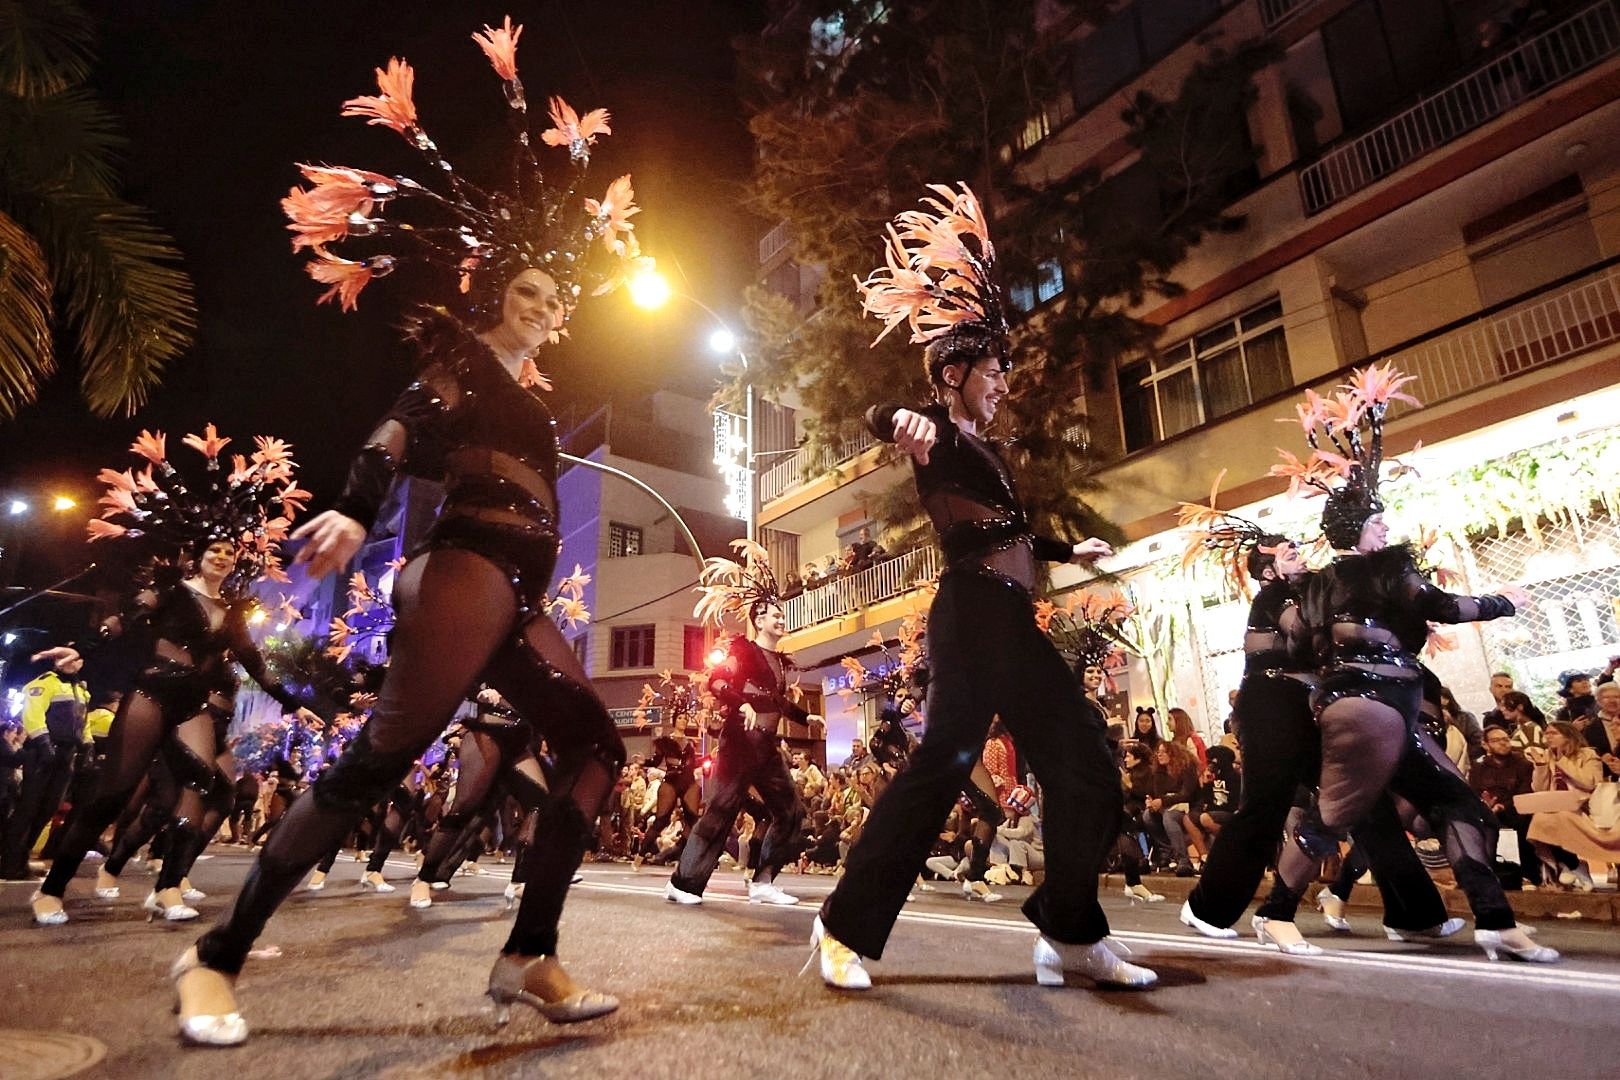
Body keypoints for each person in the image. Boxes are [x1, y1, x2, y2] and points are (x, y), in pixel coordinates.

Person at [173, 27, 651, 1045]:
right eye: (527, 291)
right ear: (496, 295)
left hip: (514, 588)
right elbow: (401, 423)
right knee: (382, 760)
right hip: (461, 570)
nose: (543, 307)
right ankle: (213, 958)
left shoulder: (535, 392)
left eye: (555, 299)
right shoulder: (466, 360)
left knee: (596, 746)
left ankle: (528, 954)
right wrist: (353, 500)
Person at [811, 183, 1154, 992]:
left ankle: (1069, 932)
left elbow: (1017, 538)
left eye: (1004, 370)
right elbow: (881, 411)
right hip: (968, 616)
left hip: (1010, 617)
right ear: (955, 372)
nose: (1003, 383)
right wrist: (899, 418)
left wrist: (1073, 545)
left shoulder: (993, 461)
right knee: (944, 764)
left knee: (1087, 763)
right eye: (994, 371)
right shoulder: (939, 442)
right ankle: (841, 927)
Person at [1256, 363, 1553, 963]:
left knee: (1457, 803)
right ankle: (1275, 912)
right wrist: (1504, 602)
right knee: (1335, 814)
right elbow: (1440, 604)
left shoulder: (1315, 587)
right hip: (1372, 708)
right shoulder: (1391, 566)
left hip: (1370, 705)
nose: (1385, 524)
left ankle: (1494, 919)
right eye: (1377, 519)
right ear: (1362, 531)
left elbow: (1298, 651)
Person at [31, 429, 319, 929]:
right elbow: (121, 622)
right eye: (215, 551)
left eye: (230, 553)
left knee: (202, 785)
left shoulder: (232, 612)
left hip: (192, 704)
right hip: (151, 691)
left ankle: (166, 889)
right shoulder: (169, 591)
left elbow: (256, 664)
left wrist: (295, 704)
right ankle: (52, 889)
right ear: (199, 554)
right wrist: (82, 649)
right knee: (115, 793)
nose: (223, 558)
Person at [666, 541, 818, 907]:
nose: (780, 619)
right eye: (773, 615)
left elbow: (778, 701)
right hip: (739, 743)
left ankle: (763, 881)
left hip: (766, 748)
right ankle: (683, 884)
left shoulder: (779, 660)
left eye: (782, 615)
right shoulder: (742, 650)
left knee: (792, 812)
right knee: (721, 811)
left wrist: (804, 716)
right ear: (758, 619)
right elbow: (717, 682)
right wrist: (742, 703)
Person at [1, 652, 90, 880]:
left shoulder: (81, 690)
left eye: (75, 659)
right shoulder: (43, 683)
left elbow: (83, 722)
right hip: (41, 752)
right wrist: (43, 743)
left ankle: (22, 857)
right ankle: (9, 861)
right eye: (66, 659)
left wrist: (87, 746)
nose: (71, 663)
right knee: (28, 808)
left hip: (65, 754)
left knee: (48, 808)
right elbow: (33, 715)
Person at [1525, 722, 1606, 890]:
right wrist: (1541, 767)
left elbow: (1590, 782)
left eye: (1553, 733)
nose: (1548, 737)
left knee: (1558, 818)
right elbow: (1539, 789)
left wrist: (1562, 761)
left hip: (1584, 805)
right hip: (1556, 804)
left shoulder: (1587, 754)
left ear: (1568, 735)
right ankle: (1573, 865)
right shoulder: (1547, 755)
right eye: (1546, 734)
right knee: (1540, 819)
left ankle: (1572, 865)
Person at [1470, 726, 1535, 885]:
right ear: (1486, 745)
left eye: (1505, 739)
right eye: (1496, 740)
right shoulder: (1478, 768)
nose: (1503, 743)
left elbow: (1524, 792)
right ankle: (1483, 874)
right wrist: (1486, 805)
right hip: (1487, 810)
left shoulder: (1523, 764)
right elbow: (1473, 792)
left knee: (1523, 822)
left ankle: (1528, 875)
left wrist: (1501, 806)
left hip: (1516, 811)